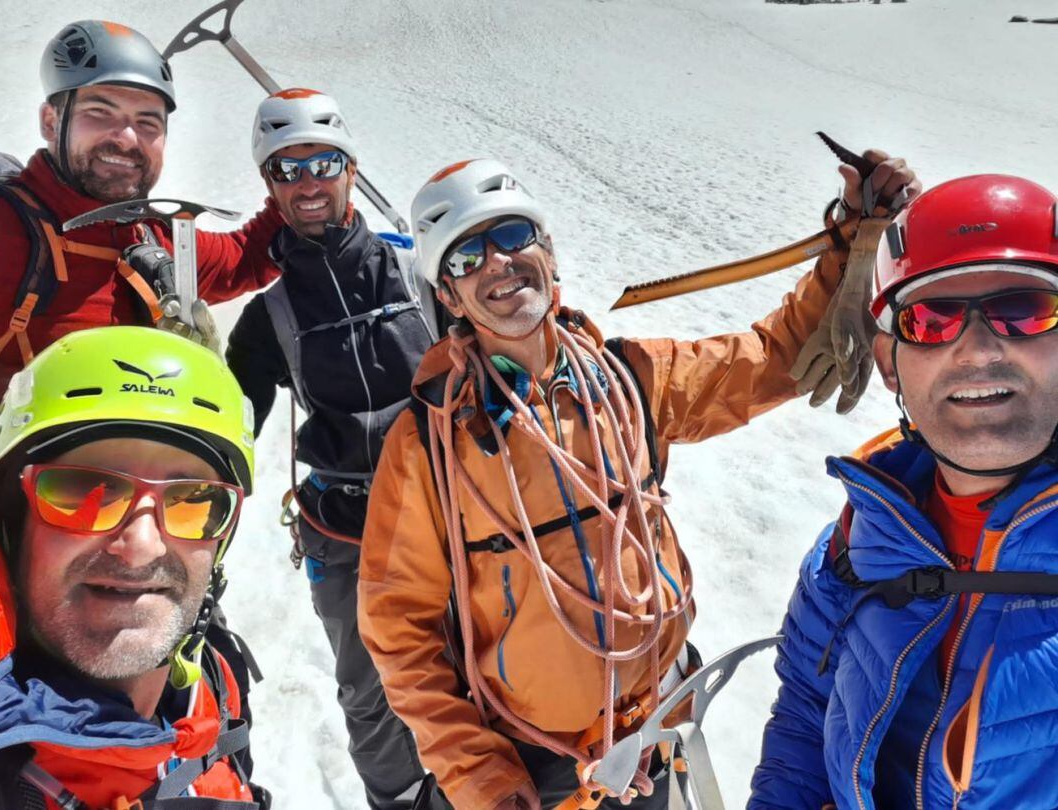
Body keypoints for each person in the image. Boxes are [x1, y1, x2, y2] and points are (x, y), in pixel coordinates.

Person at [357, 154, 919, 809]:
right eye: (464, 258)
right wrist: (478, 773)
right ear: (447, 296)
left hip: (655, 728)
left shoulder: (629, 381)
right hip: (537, 766)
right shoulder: (429, 443)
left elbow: (769, 361)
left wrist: (858, 235)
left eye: (512, 237)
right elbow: (399, 628)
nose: (497, 265)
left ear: (549, 252)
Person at [749, 174, 1058, 809]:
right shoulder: (857, 543)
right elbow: (806, 718)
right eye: (931, 319)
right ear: (890, 361)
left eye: (1024, 309)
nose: (976, 350)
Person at [225, 89, 441, 809]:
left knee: (477, 652)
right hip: (346, 524)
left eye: (322, 163)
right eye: (288, 170)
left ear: (350, 168)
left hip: (450, 508)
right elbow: (229, 428)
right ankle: (403, 798)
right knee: (367, 683)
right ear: (269, 187)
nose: (308, 183)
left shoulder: (420, 276)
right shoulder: (269, 315)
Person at [0, 326, 266, 808]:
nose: (143, 546)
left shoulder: (209, 678)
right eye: (81, 491)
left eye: (194, 501)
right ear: (11, 522)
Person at [0, 19, 285, 420]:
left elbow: (249, 256)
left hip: (146, 476)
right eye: (99, 111)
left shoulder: (156, 241)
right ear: (51, 122)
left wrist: (307, 175)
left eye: (147, 123)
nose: (126, 138)